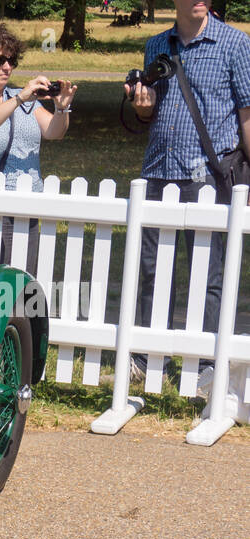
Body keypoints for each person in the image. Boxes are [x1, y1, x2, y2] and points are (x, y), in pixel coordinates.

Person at [127, 0, 250, 380]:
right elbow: (149, 114)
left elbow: (247, 114)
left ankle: (205, 365)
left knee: (208, 274)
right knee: (152, 271)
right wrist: (142, 105)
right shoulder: (156, 45)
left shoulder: (235, 44)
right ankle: (151, 361)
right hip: (158, 171)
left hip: (209, 175)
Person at [0, 24, 76, 263]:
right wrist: (18, 98)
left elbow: (54, 131)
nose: (6, 66)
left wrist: (62, 108)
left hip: (26, 205)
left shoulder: (26, 100)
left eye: (11, 60)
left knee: (22, 283)